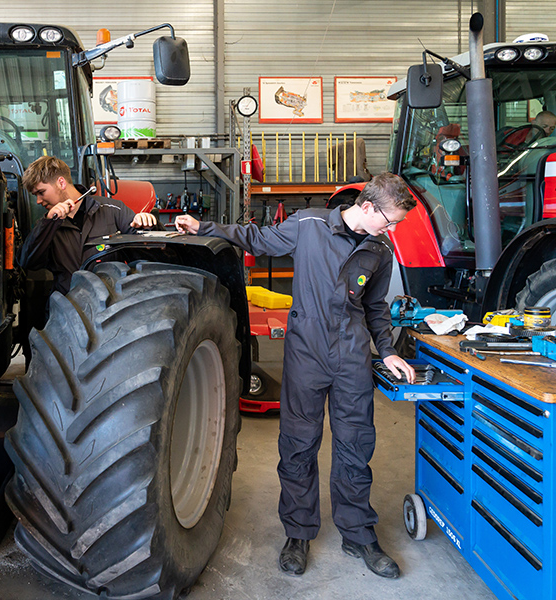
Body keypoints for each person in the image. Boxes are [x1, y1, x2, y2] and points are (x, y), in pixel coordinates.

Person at [175, 172, 417, 579]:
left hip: (352, 356)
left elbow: (376, 309)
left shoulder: (379, 249)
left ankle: (358, 533)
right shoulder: (309, 224)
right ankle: (299, 533)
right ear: (370, 207)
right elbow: (257, 239)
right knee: (298, 444)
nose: (392, 230)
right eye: (390, 221)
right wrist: (205, 227)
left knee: (356, 445)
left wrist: (389, 352)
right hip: (307, 351)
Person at [19, 156, 156, 295]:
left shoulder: (113, 210)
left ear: (61, 183)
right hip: (67, 305)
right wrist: (48, 224)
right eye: (35, 195)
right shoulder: (47, 225)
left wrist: (147, 225)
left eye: (41, 192)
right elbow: (28, 262)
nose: (38, 201)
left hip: (111, 304)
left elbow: (149, 255)